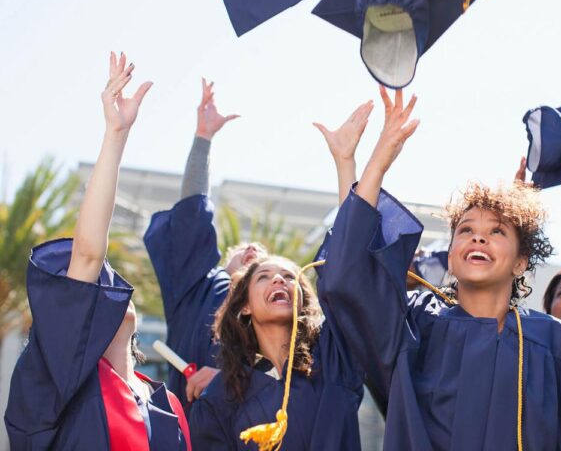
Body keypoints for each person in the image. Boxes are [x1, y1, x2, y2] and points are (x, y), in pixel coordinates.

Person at [317, 86, 561, 450]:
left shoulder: (557, 343)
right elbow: (350, 280)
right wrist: (372, 164)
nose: (478, 238)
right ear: (451, 255)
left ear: (522, 260)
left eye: (497, 232)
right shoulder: (417, 326)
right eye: (466, 230)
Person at [3, 53, 191, 450]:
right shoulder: (60, 380)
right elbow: (88, 254)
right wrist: (116, 135)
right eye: (92, 287)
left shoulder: (168, 403)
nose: (102, 284)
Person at [143, 78, 268, 408]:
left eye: (265, 266)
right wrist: (203, 139)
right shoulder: (197, 286)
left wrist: (234, 378)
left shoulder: (273, 310)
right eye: (247, 247)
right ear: (224, 259)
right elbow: (193, 212)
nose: (254, 251)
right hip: (187, 423)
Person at [189, 254, 365, 450]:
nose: (279, 279)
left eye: (289, 276)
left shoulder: (333, 356)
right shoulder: (219, 398)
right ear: (246, 306)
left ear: (302, 299)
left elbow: (352, 270)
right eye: (263, 276)